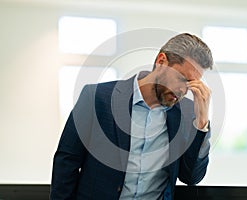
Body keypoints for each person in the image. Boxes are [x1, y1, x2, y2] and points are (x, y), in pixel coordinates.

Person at [50, 33, 214, 200]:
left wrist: (201, 123)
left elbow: (191, 177)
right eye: (181, 78)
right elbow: (67, 161)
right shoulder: (96, 97)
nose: (183, 90)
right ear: (161, 61)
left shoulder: (186, 114)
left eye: (190, 85)